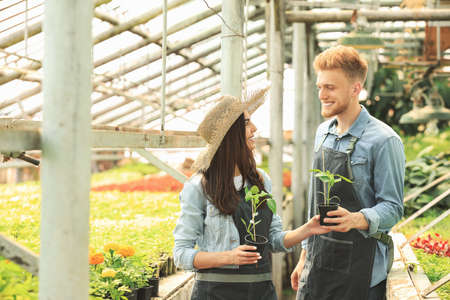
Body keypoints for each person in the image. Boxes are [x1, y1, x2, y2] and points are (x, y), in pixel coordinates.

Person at [173, 88, 330, 300]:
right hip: (215, 294)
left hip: (260, 291)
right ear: (230, 134)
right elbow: (181, 254)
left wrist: (307, 229)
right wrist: (227, 257)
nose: (254, 129)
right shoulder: (199, 187)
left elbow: (272, 240)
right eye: (247, 123)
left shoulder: (261, 180)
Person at [290, 45, 405, 300]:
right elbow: (314, 203)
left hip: (362, 273)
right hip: (319, 264)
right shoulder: (323, 133)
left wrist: (355, 219)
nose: (322, 94)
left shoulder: (384, 141)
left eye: (330, 87)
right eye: (319, 87)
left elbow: (393, 208)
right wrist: (304, 257)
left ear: (355, 89)